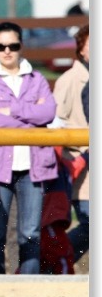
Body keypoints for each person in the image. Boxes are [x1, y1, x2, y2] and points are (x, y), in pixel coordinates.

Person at [0, 21, 57, 274]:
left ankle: (28, 286)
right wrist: (32, 119)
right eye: (1, 46)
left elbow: (49, 112)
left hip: (34, 166)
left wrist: (13, 110)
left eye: (13, 45)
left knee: (30, 234)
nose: (7, 51)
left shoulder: (37, 78)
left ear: (21, 46)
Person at [52, 24, 89, 264]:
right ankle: (58, 260)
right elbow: (55, 122)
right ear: (81, 49)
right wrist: (72, 159)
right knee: (91, 226)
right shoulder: (70, 80)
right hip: (81, 166)